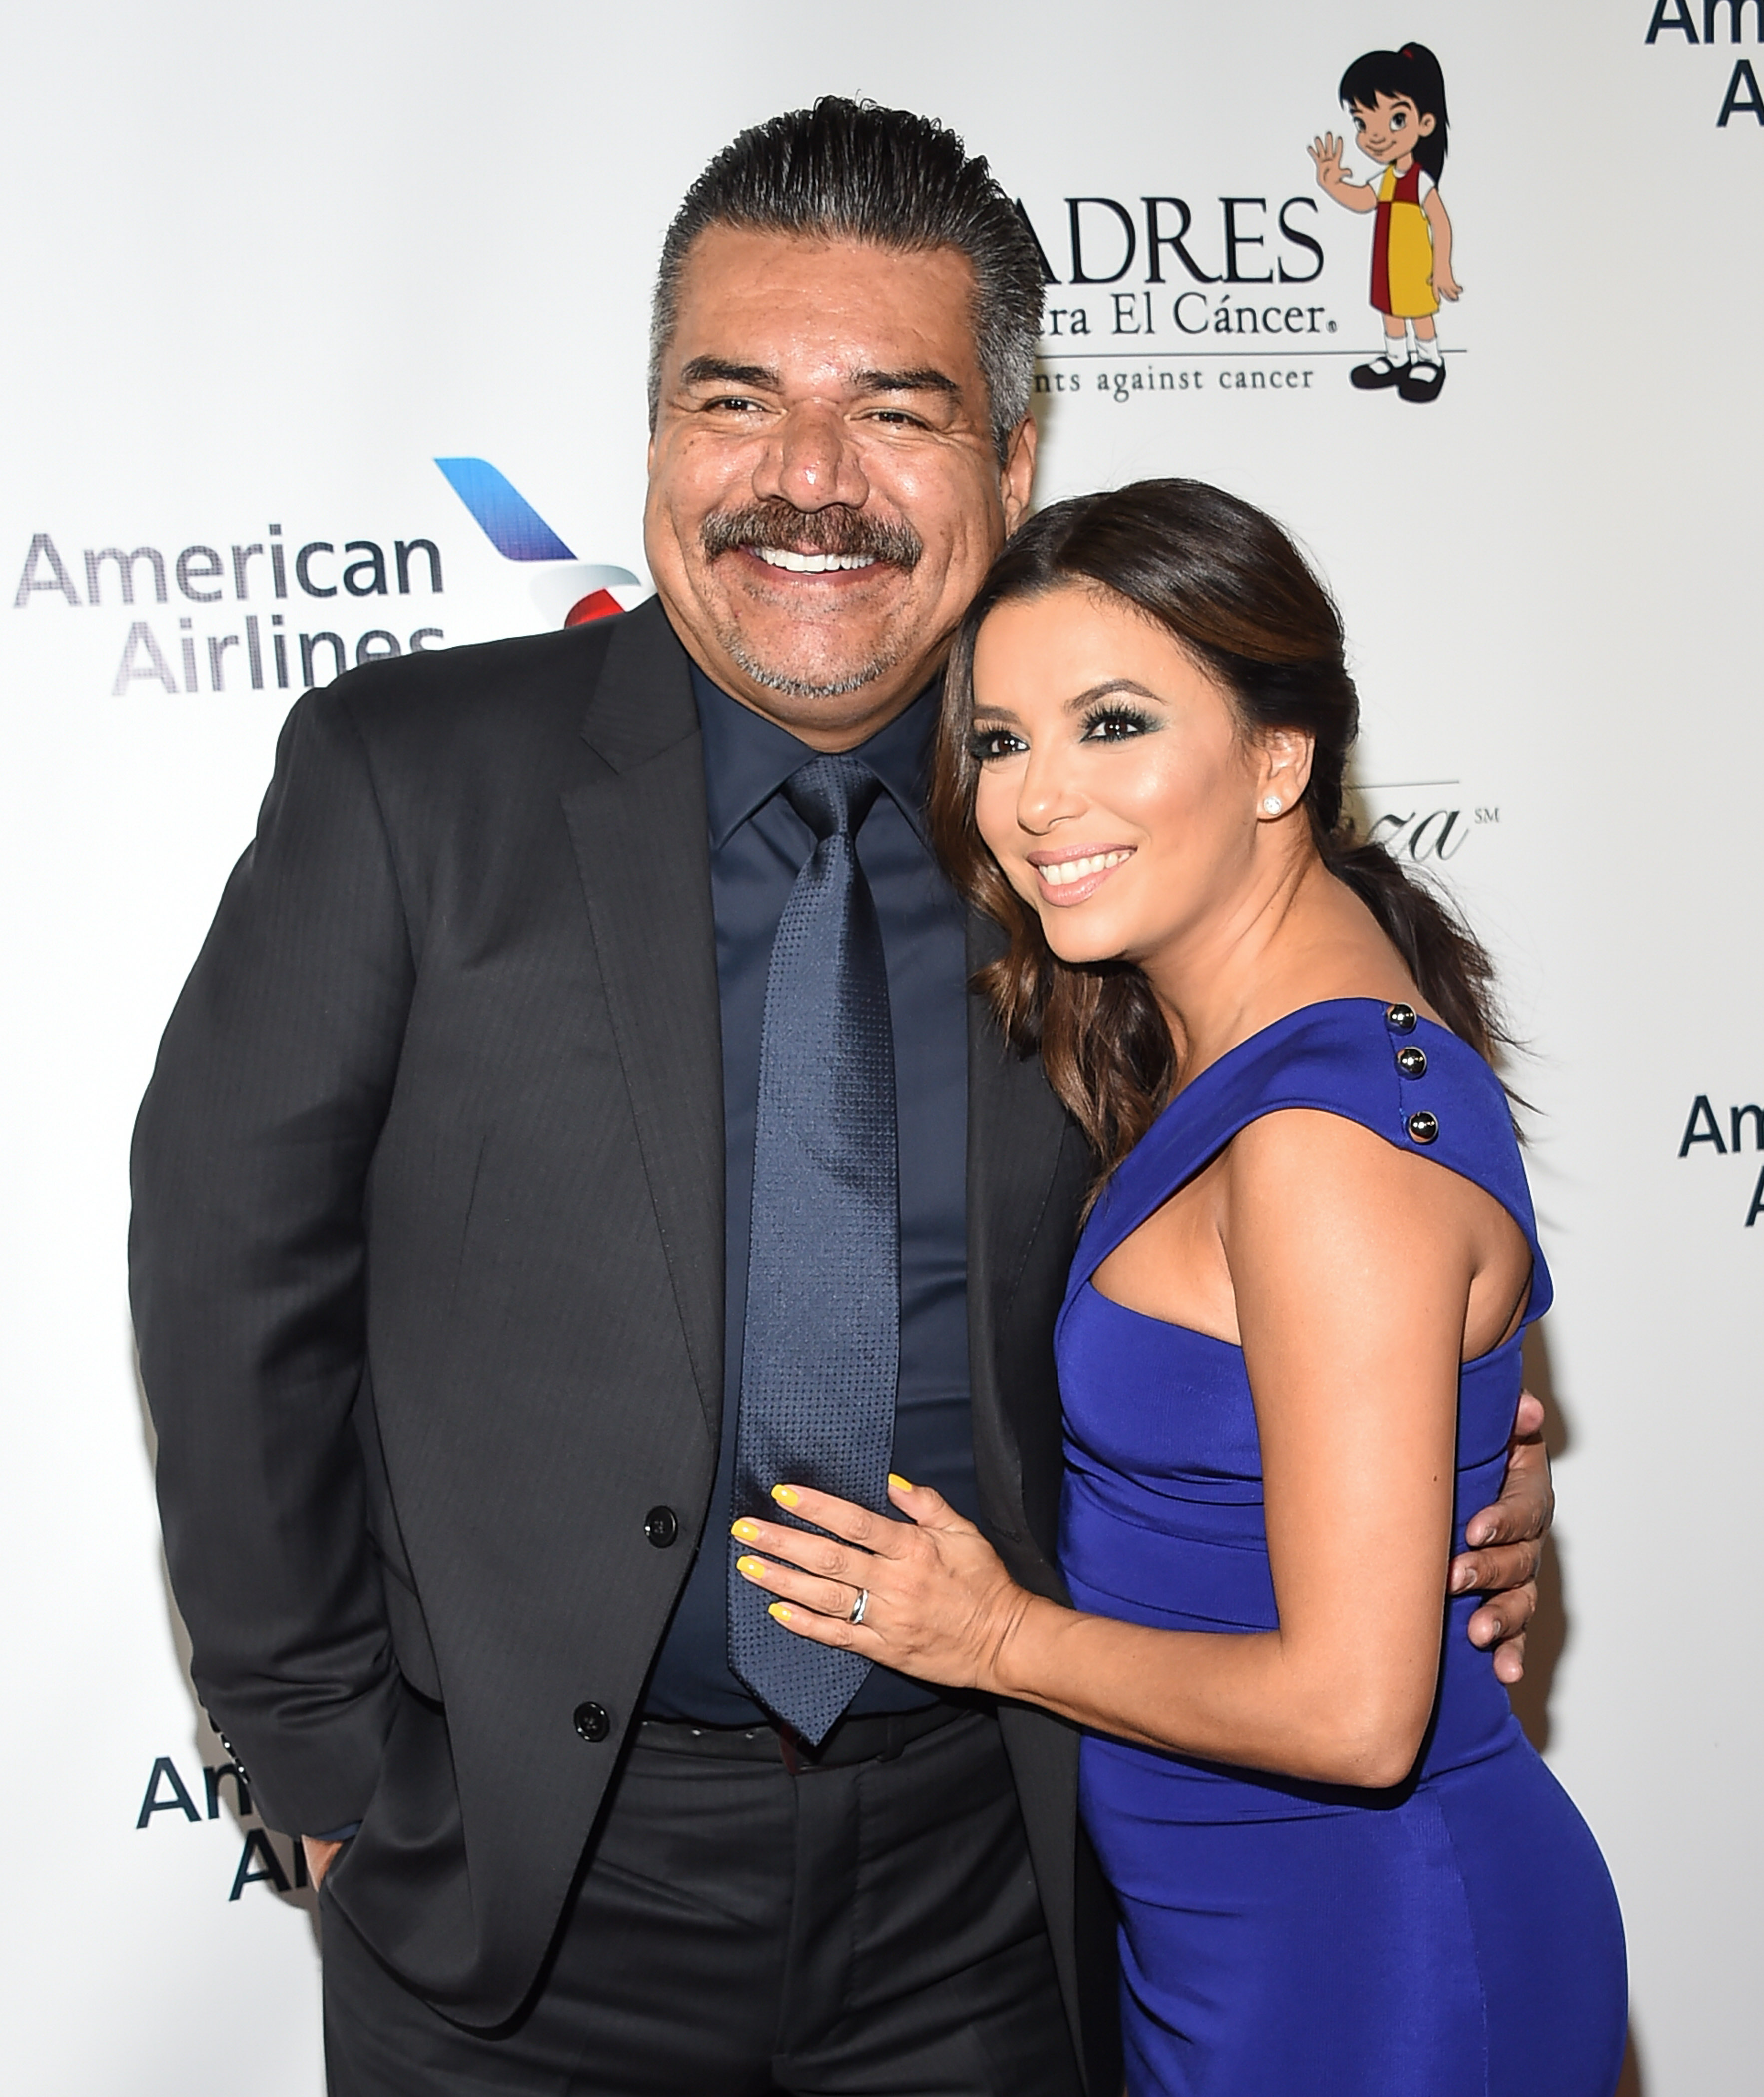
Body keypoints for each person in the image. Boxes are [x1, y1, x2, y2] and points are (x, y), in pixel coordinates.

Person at [130, 103, 1553, 2097]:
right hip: (515, 1897)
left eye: (893, 411)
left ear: (1011, 463)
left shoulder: (1096, 851)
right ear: (654, 435)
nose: (806, 479)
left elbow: (1345, 1192)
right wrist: (327, 1778)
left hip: (999, 1886)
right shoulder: (409, 782)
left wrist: (1463, 1464)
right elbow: (230, 1275)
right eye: (735, 401)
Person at [731, 479, 1628, 2096]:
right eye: (999, 741)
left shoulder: (1318, 1143)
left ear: (1280, 759)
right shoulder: (1226, 1046)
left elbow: (1354, 1714)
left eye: (1113, 724)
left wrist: (992, 1636)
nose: (1036, 801)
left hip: (1373, 1968)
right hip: (1237, 1940)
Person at [1311, 41, 1461, 403]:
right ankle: (1396, 358)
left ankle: (1430, 360)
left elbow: (1441, 223)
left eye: (1396, 120)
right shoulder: (1386, 179)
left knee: (1419, 313)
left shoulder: (1420, 181)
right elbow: (1363, 200)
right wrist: (1330, 185)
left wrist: (1442, 267)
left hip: (1415, 266)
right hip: (1387, 265)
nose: (1374, 136)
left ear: (1425, 123)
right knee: (1389, 311)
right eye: (1362, 123)